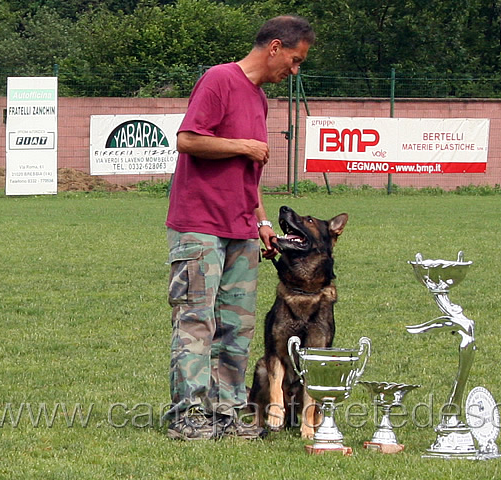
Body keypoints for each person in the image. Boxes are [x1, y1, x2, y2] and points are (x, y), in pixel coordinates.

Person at [164, 15, 315, 441]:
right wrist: (240, 145)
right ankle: (188, 416)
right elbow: (188, 139)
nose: (294, 69)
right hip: (199, 225)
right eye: (295, 59)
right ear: (275, 48)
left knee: (237, 326)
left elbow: (249, 174)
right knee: (197, 322)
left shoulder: (259, 98)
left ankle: (227, 414)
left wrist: (262, 220)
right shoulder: (219, 80)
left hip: (241, 227)